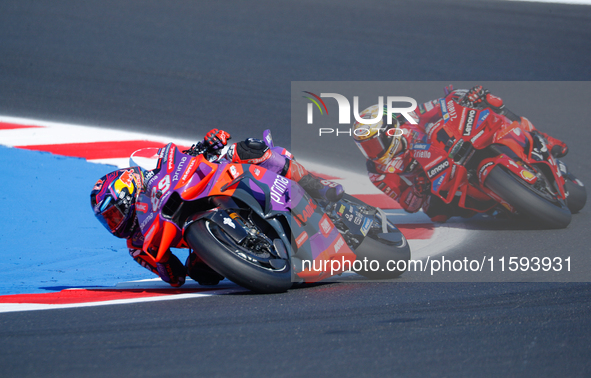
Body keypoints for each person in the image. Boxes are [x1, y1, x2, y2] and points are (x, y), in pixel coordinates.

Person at [90, 129, 344, 288]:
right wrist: (161, 262)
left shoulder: (154, 174)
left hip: (208, 184)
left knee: (249, 149)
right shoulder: (137, 246)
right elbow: (175, 278)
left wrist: (208, 143)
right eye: (109, 220)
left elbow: (183, 159)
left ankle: (317, 187)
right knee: (200, 273)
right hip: (201, 232)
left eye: (114, 213)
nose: (115, 222)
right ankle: (255, 252)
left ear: (130, 191)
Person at [352, 85, 569, 223]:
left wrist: (465, 95)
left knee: (491, 104)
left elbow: (441, 104)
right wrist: (418, 192)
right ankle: (494, 201)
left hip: (452, 148)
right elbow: (407, 204)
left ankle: (543, 138)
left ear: (392, 131)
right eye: (366, 146)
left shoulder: (410, 118)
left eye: (374, 142)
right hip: (434, 182)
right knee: (436, 213)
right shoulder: (377, 172)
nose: (372, 151)